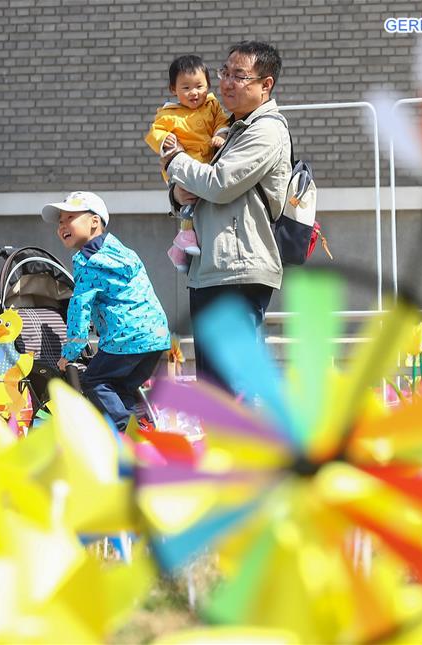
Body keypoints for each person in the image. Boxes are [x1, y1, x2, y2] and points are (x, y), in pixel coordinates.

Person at [161, 41, 290, 391]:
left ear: (266, 85)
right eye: (225, 73)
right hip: (211, 268)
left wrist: (176, 162)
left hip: (238, 268)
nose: (227, 82)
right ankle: (222, 445)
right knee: (214, 385)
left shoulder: (266, 130)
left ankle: (245, 446)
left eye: (239, 75)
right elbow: (199, 189)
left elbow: (219, 185)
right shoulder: (228, 126)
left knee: (234, 382)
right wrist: (176, 193)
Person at [41, 191, 171, 432]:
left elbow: (79, 308)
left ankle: (125, 433)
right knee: (120, 388)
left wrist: (71, 352)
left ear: (94, 221)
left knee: (95, 380)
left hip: (126, 339)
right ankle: (143, 433)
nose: (62, 226)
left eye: (70, 218)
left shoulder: (88, 262)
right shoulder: (123, 252)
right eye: (60, 222)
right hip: (155, 336)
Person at [145, 55, 229, 272]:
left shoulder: (212, 106)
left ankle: (181, 249)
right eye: (186, 87)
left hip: (205, 164)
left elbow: (222, 121)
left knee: (199, 205)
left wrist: (220, 133)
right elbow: (155, 133)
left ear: (208, 85)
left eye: (199, 86)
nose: (194, 92)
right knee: (189, 204)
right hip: (185, 166)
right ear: (174, 89)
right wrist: (165, 140)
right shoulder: (169, 113)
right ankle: (184, 239)